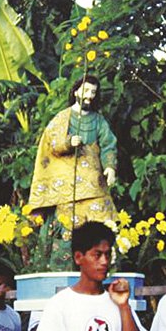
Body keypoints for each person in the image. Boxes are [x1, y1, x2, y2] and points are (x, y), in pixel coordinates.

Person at [29, 75, 118, 226]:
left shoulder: (98, 120)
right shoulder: (63, 117)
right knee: (66, 222)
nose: (90, 96)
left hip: (93, 180)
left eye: (93, 92)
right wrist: (69, 142)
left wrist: (110, 167)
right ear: (76, 92)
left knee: (103, 218)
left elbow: (108, 144)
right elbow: (52, 142)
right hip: (67, 181)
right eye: (86, 91)